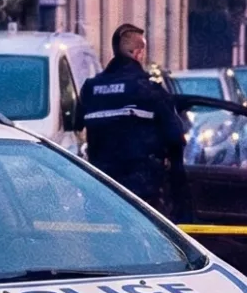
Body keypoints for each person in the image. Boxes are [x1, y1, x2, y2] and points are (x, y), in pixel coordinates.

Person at [77, 23, 188, 213]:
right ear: (138, 53)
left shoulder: (90, 88)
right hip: (141, 193)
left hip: (100, 188)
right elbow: (174, 138)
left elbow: (77, 124)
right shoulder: (149, 90)